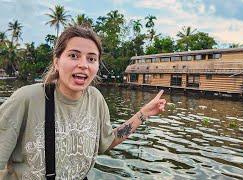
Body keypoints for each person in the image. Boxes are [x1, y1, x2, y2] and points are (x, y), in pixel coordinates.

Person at [0, 26, 166, 179]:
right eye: (74, 55)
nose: (83, 65)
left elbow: (107, 141)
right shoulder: (27, 99)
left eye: (91, 59)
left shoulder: (96, 99)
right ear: (57, 61)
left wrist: (143, 114)